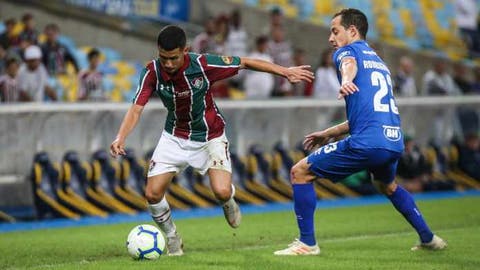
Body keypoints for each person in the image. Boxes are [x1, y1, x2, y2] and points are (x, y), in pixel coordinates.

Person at [109, 25, 313, 256]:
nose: (167, 63)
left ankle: (229, 201)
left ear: (185, 50)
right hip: (174, 137)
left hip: (210, 138)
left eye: (173, 58)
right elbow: (136, 109)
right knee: (152, 194)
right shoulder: (152, 72)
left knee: (221, 191)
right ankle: (173, 238)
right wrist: (120, 137)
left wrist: (284, 72)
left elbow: (245, 61)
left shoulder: (204, 65)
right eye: (163, 57)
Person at [274, 8, 447, 256]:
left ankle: (307, 244)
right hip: (392, 142)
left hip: (368, 143)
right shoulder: (379, 62)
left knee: (299, 172)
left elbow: (348, 64)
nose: (331, 39)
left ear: (352, 31)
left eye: (335, 31)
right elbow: (369, 115)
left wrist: (345, 80)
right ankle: (429, 238)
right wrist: (329, 132)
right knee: (388, 186)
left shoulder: (347, 51)